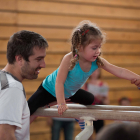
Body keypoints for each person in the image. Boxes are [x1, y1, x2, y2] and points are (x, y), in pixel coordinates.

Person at [28, 20, 140, 131]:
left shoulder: (97, 61)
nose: (98, 51)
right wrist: (61, 102)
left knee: (90, 98)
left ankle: (69, 109)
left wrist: (137, 77)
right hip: (49, 89)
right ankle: (18, 132)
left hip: (70, 93)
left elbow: (119, 71)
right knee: (29, 111)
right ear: (80, 46)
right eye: (94, 48)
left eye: (99, 47)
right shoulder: (69, 58)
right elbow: (59, 82)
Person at [0, 30, 48, 140]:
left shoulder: (4, 80)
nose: (43, 64)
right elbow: (5, 136)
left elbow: (15, 127)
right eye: (39, 59)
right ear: (20, 59)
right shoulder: (13, 88)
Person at [82, 68, 109, 140]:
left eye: (96, 71)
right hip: (88, 113)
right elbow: (81, 100)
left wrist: (101, 99)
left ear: (99, 72)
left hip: (99, 113)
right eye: (92, 71)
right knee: (88, 135)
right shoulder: (85, 85)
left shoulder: (103, 85)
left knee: (99, 134)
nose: (94, 73)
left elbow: (107, 102)